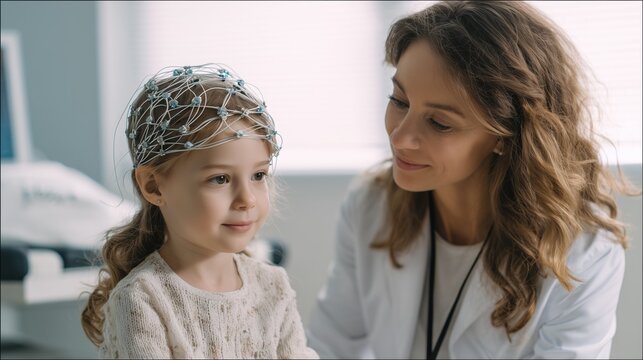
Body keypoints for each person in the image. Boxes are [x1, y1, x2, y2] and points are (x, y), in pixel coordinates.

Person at [307, 1, 639, 359]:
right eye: (399, 100)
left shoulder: (583, 250)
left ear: (505, 135)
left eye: (439, 123)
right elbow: (329, 348)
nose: (400, 137)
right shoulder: (369, 203)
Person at [81, 64, 318, 359]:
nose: (247, 199)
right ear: (154, 186)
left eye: (258, 175)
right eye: (220, 179)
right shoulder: (142, 300)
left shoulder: (273, 286)